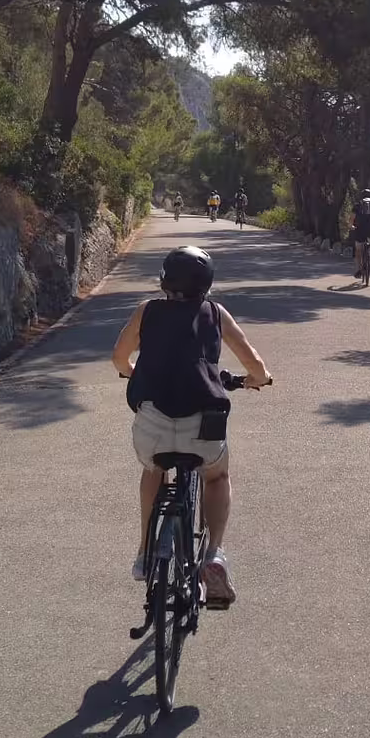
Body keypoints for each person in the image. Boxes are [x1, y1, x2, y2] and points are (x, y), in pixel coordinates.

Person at [113, 245, 272, 606]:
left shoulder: (146, 311)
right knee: (216, 476)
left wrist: (131, 372)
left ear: (164, 280)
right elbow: (256, 366)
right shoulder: (215, 313)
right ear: (207, 284)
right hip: (203, 425)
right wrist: (256, 379)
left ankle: (143, 553)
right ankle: (213, 553)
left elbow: (120, 358)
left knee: (153, 469)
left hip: (152, 422)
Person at [351, 188, 370, 278]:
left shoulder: (357, 206)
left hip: (360, 229)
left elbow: (352, 218)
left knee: (358, 250)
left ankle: (359, 269)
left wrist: (351, 226)